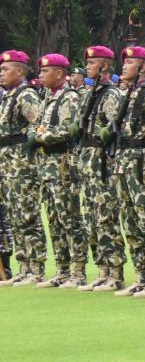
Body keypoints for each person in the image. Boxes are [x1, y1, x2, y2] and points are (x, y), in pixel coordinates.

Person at [108, 46, 145, 298]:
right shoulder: (124, 95)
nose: (124, 66)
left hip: (142, 163)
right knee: (130, 221)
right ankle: (141, 276)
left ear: (143, 67)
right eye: (124, 61)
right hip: (123, 162)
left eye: (131, 62)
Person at [30, 54, 87, 289]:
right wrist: (37, 133)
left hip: (63, 163)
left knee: (70, 217)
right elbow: (38, 124)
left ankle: (78, 270)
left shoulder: (69, 98)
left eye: (46, 71)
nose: (41, 76)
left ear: (60, 74)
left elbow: (66, 130)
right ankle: (62, 268)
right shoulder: (48, 97)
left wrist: (39, 137)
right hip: (47, 164)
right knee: (54, 218)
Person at [73, 45, 125, 292]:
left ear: (104, 66)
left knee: (107, 218)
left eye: (93, 63)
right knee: (92, 219)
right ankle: (102, 269)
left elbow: (118, 128)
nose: (87, 67)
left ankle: (115, 272)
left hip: (104, 164)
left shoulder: (111, 95)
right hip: (88, 163)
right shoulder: (88, 94)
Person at [0, 51, 45, 287]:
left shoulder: (26, 95)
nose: (1, 73)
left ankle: (36, 268)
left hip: (22, 165)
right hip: (8, 164)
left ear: (19, 71)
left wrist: (31, 138)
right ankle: (24, 266)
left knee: (28, 216)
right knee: (15, 217)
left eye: (6, 69)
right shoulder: (9, 96)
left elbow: (38, 123)